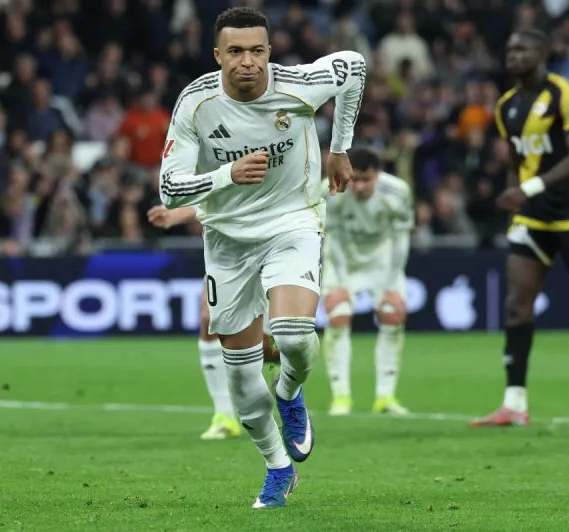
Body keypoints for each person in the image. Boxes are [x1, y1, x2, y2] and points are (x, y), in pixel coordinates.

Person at [158, 7, 364, 508]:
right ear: (217, 55)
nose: (246, 62)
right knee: (242, 379)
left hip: (292, 222)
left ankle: (290, 391)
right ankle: (277, 467)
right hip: (227, 240)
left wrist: (339, 148)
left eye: (256, 51)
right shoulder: (195, 102)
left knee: (293, 334)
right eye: (235, 52)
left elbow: (354, 66)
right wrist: (227, 176)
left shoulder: (297, 83)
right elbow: (168, 191)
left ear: (269, 52)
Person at [470, 29, 569, 428]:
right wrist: (514, 207)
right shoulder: (506, 107)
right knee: (517, 303)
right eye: (510, 48)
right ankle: (514, 402)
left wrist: (527, 188)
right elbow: (517, 166)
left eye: (522, 48)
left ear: (542, 53)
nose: (513, 54)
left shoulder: (563, 94)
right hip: (532, 217)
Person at [147, 204, 280, 439]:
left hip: (269, 256)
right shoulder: (228, 170)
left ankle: (282, 368)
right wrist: (172, 216)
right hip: (226, 258)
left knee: (272, 347)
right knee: (209, 319)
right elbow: (211, 196)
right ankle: (224, 415)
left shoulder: (270, 172)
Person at [322, 147, 413, 417]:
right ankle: (341, 397)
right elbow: (333, 238)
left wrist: (390, 284)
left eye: (366, 180)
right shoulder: (330, 189)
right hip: (342, 258)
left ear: (379, 175)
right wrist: (341, 282)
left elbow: (400, 239)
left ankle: (385, 396)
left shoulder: (398, 192)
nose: (360, 187)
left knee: (393, 316)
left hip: (381, 260)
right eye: (356, 180)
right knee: (338, 316)